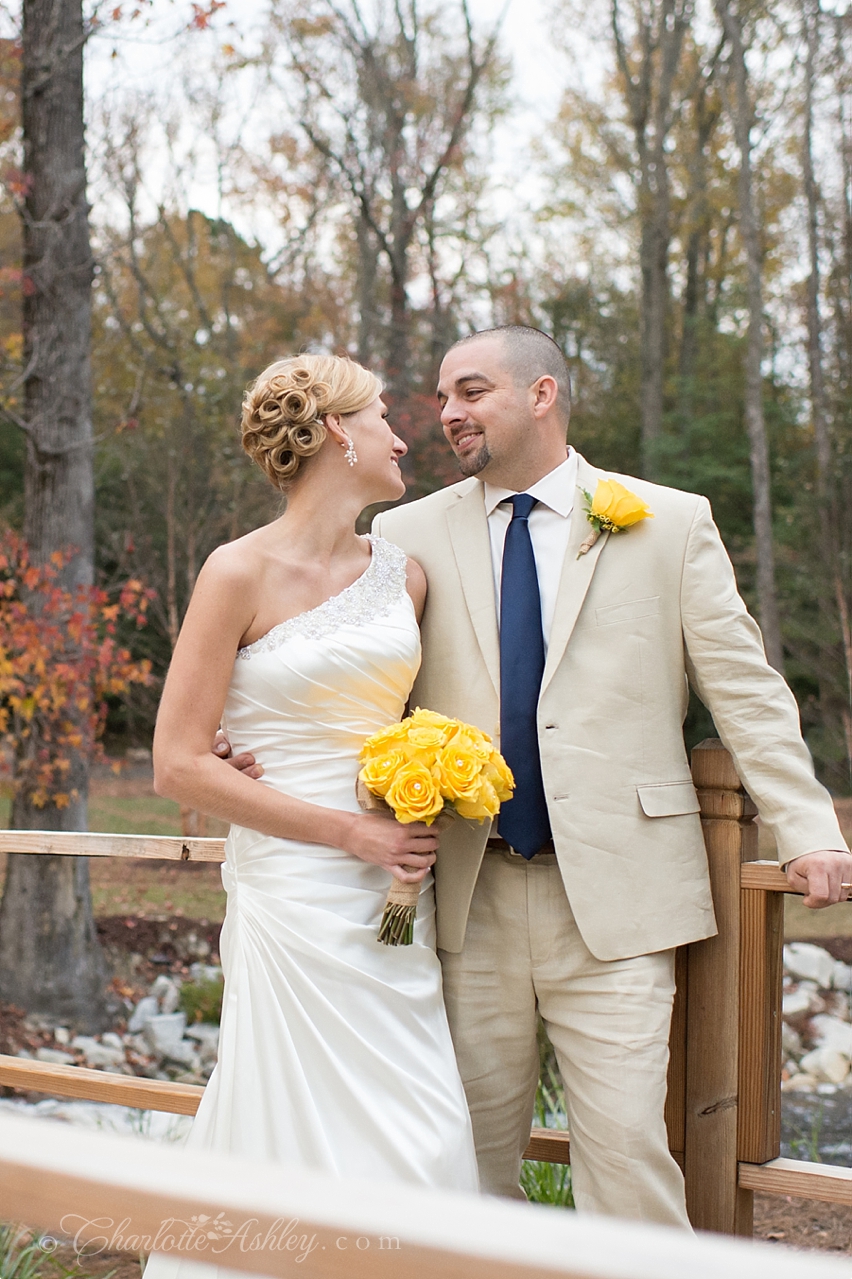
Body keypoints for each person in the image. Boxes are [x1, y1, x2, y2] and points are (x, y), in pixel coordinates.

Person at [220, 326, 852, 1227]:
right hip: (464, 897)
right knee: (463, 1159)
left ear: (542, 394)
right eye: (441, 397)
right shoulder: (404, 533)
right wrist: (232, 746)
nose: (446, 414)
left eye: (470, 392)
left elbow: (745, 690)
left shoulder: (668, 520)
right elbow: (327, 674)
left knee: (627, 1155)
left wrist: (811, 830)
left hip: (622, 900)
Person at [145, 354, 478, 1279]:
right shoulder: (236, 571)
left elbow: (411, 724)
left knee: (418, 1113)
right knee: (285, 1111)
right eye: (382, 416)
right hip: (294, 887)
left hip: (396, 883)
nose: (403, 434)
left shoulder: (404, 578)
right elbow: (176, 758)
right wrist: (346, 830)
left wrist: (424, 800)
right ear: (337, 430)